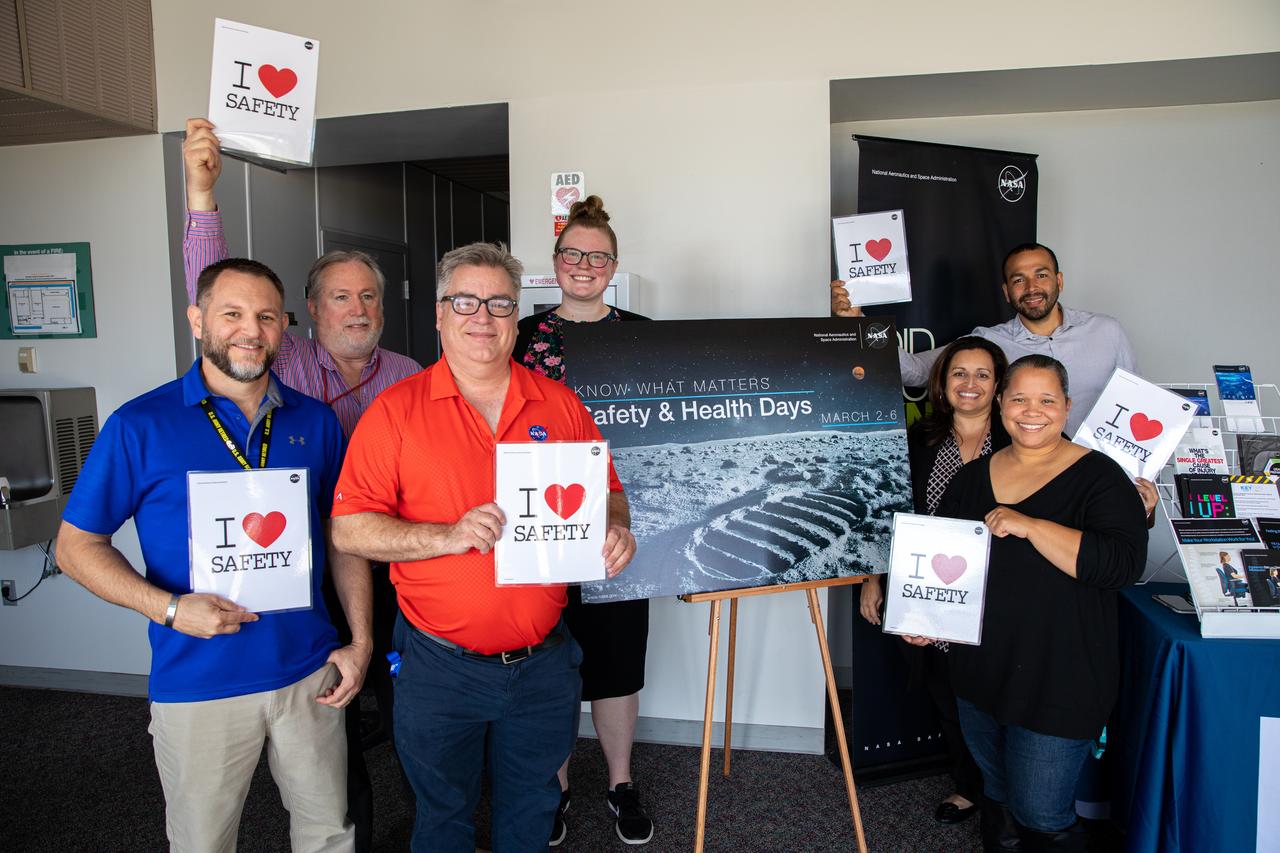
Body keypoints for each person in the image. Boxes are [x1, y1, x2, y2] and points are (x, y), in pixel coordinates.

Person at [329, 242, 637, 852]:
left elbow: (610, 492)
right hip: (439, 669)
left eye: (499, 303)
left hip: (544, 665)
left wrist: (616, 527)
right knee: (443, 817)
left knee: (531, 809)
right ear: (440, 314)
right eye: (465, 301)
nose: (483, 317)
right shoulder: (395, 412)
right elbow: (349, 529)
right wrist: (445, 536)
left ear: (516, 317)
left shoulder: (559, 404)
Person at [56, 258, 372, 853]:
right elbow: (75, 548)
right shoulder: (139, 425)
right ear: (198, 320)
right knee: (203, 843)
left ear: (284, 327)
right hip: (199, 680)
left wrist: (359, 641)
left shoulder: (315, 420)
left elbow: (342, 536)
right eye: (232, 314)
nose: (249, 330)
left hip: (309, 673)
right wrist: (170, 609)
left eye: (265, 316)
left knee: (329, 832)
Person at [183, 117, 421, 851]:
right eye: (341, 298)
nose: (358, 310)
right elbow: (220, 298)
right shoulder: (276, 368)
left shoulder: (410, 376)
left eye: (369, 299)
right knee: (335, 722)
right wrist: (202, 194)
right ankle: (356, 831)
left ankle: (428, 826)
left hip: (393, 568)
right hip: (306, 570)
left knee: (411, 710)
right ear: (309, 314)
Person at [908, 355, 1148, 853]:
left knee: (1042, 811)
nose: (1031, 411)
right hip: (980, 673)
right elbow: (944, 562)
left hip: (1061, 677)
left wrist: (1032, 525)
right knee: (998, 796)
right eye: (1018, 398)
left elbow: (1121, 566)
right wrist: (926, 618)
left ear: (1066, 406)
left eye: (1046, 400)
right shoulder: (971, 480)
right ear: (1000, 404)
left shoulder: (1101, 478)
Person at [513, 195, 653, 846]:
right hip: (541, 523)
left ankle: (621, 783)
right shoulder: (518, 337)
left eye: (598, 257)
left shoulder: (643, 334)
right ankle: (558, 787)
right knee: (551, 662)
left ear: (614, 265)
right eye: (574, 254)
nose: (585, 265)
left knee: (617, 660)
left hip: (621, 522)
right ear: (556, 263)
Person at [860, 336, 1009, 828]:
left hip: (1004, 593)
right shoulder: (919, 438)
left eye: (982, 374)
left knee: (1002, 694)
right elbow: (888, 513)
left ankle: (1011, 791)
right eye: (959, 373)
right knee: (948, 695)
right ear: (942, 383)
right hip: (930, 590)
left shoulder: (1020, 440)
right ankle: (970, 786)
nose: (970, 383)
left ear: (998, 384)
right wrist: (874, 580)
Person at [832, 243, 1137, 434]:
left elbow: (1135, 407)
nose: (1031, 287)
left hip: (1099, 479)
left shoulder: (1107, 332)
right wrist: (857, 322)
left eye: (1041, 275)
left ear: (1059, 280)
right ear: (1007, 292)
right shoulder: (989, 343)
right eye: (1019, 279)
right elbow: (914, 372)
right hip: (1022, 487)